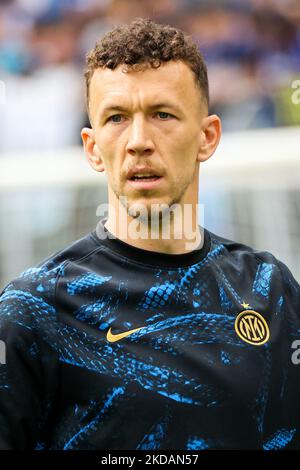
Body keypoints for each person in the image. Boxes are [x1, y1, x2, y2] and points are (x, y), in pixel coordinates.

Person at [0, 17, 299, 451]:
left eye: (162, 114)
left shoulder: (269, 289)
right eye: (117, 117)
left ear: (207, 137)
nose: (139, 140)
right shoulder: (34, 311)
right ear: (91, 146)